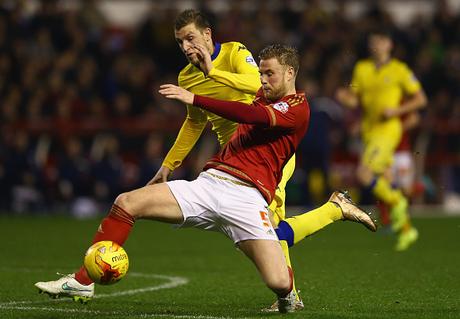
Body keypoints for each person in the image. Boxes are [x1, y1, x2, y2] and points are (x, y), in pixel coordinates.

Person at [35, 44, 374, 314]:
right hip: (209, 184)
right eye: (261, 72)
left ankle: (295, 283)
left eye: (269, 74)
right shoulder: (261, 92)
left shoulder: (298, 108)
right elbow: (239, 93)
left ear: (290, 73)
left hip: (248, 198)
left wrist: (196, 97)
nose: (263, 80)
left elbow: (251, 114)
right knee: (126, 202)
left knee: (279, 281)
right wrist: (208, 72)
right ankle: (83, 280)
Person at [148, 9, 376, 311]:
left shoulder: (234, 53)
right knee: (273, 228)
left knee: (270, 229)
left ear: (207, 35)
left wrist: (213, 73)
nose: (187, 46)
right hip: (234, 161)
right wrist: (168, 165)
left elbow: (253, 86)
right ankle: (323, 230)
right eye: (180, 42)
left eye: (191, 38)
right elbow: (194, 123)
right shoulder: (186, 77)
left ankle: (328, 220)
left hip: (268, 155)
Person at [336, 29, 427, 251]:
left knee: (363, 174)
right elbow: (355, 101)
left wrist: (397, 111)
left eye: (379, 41)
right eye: (372, 42)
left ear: (389, 45)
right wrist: (344, 98)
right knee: (385, 176)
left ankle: (397, 201)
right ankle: (406, 230)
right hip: (369, 131)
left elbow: (420, 100)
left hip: (388, 130)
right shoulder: (362, 69)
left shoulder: (400, 70)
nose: (375, 45)